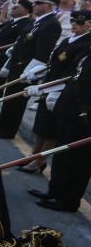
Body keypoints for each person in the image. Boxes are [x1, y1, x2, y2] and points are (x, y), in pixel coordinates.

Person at [16, 10, 91, 174]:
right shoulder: (68, 40)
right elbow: (54, 61)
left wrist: (52, 89)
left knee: (51, 128)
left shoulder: (86, 44)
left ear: (89, 25)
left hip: (63, 90)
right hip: (50, 83)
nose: (74, 25)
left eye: (79, 23)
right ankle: (34, 155)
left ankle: (40, 160)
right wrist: (37, 72)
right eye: (73, 21)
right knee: (41, 124)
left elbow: (72, 73)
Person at [0, 0, 62, 139]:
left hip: (26, 70)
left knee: (16, 102)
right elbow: (21, 43)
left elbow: (42, 54)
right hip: (17, 65)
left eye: (38, 2)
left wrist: (29, 72)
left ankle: (8, 130)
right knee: (8, 98)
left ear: (49, 6)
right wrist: (9, 64)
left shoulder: (51, 24)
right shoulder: (37, 21)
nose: (34, 5)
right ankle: (1, 125)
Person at [29, 33, 91, 212]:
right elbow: (73, 75)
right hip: (70, 109)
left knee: (77, 161)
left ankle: (68, 200)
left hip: (85, 117)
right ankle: (54, 191)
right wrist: (50, 90)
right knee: (61, 154)